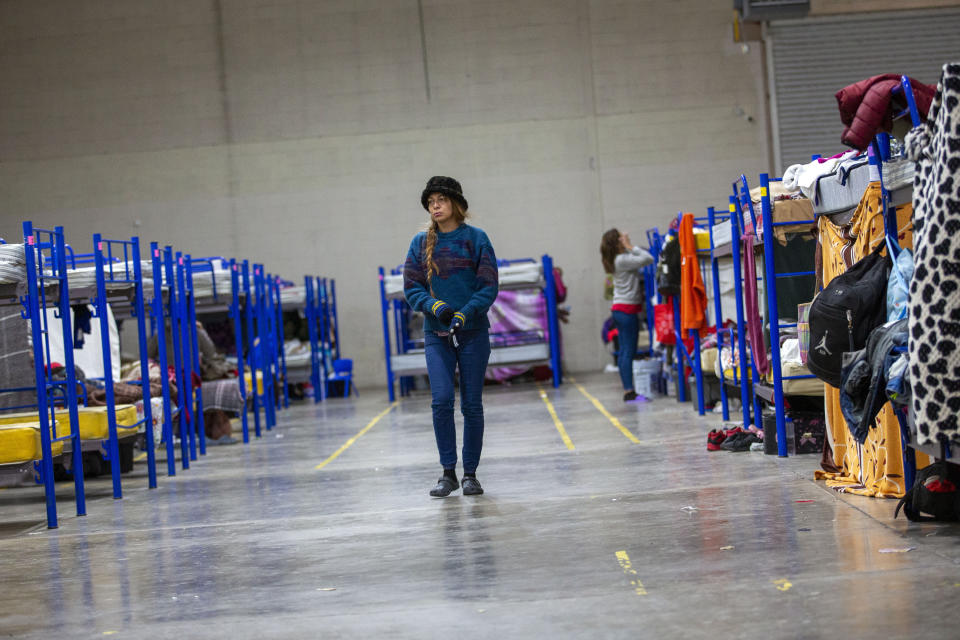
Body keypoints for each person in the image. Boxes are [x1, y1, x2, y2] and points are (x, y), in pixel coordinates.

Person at [403, 176, 499, 497]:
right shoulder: (419, 244)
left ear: (456, 204)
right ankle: (448, 473)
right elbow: (412, 288)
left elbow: (488, 286)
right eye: (431, 202)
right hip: (436, 334)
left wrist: (465, 312)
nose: (435, 206)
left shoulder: (477, 239)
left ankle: (470, 473)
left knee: (471, 405)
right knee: (441, 401)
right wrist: (436, 306)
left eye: (440, 200)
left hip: (472, 334)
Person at [600, 228, 653, 402]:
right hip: (627, 310)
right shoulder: (622, 260)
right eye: (620, 239)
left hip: (619, 309)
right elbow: (648, 258)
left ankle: (628, 390)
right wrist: (630, 245)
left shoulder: (614, 260)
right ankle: (630, 392)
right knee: (628, 351)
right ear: (617, 243)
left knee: (624, 352)